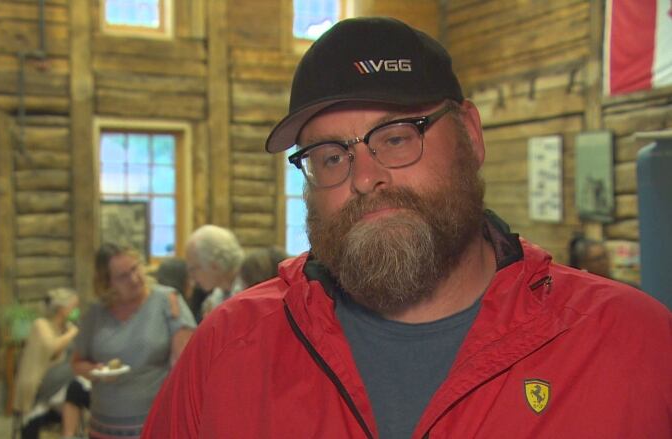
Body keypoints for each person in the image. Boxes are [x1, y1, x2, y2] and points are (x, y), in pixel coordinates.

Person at [141, 17, 672, 438]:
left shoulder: (636, 347)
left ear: (470, 135)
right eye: (329, 156)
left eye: (396, 136)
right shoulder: (226, 351)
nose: (366, 177)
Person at [71, 243, 195, 439]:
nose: (134, 279)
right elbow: (77, 363)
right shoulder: (96, 313)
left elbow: (186, 362)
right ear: (107, 282)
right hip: (104, 426)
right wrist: (95, 372)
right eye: (123, 276)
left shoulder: (167, 300)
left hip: (153, 424)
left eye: (135, 268)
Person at [12, 288, 86, 439]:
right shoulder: (41, 325)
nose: (76, 311)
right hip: (38, 385)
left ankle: (71, 433)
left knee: (77, 385)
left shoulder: (65, 328)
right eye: (74, 307)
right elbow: (52, 348)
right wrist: (72, 333)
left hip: (57, 383)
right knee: (75, 373)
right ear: (62, 308)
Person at [184, 225, 245, 317]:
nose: (192, 277)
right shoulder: (214, 299)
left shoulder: (249, 288)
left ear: (215, 265)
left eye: (193, 269)